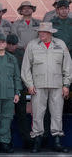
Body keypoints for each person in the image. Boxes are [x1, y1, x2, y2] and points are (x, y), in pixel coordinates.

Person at [21, 22, 71, 153]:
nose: (41, 34)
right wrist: (29, 84)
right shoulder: (32, 45)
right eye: (40, 31)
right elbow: (25, 67)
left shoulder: (60, 44)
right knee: (37, 113)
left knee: (57, 114)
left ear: (50, 33)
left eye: (44, 32)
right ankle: (37, 140)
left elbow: (68, 66)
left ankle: (57, 140)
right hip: (38, 86)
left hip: (57, 85)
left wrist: (66, 84)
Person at [6, 34, 31, 148]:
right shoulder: (2, 54)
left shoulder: (22, 55)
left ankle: (26, 140)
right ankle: (7, 141)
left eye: (13, 44)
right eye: (9, 44)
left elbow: (26, 71)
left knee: (22, 116)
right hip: (6, 90)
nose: (11, 46)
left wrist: (25, 87)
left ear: (17, 44)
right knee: (7, 117)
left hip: (19, 89)